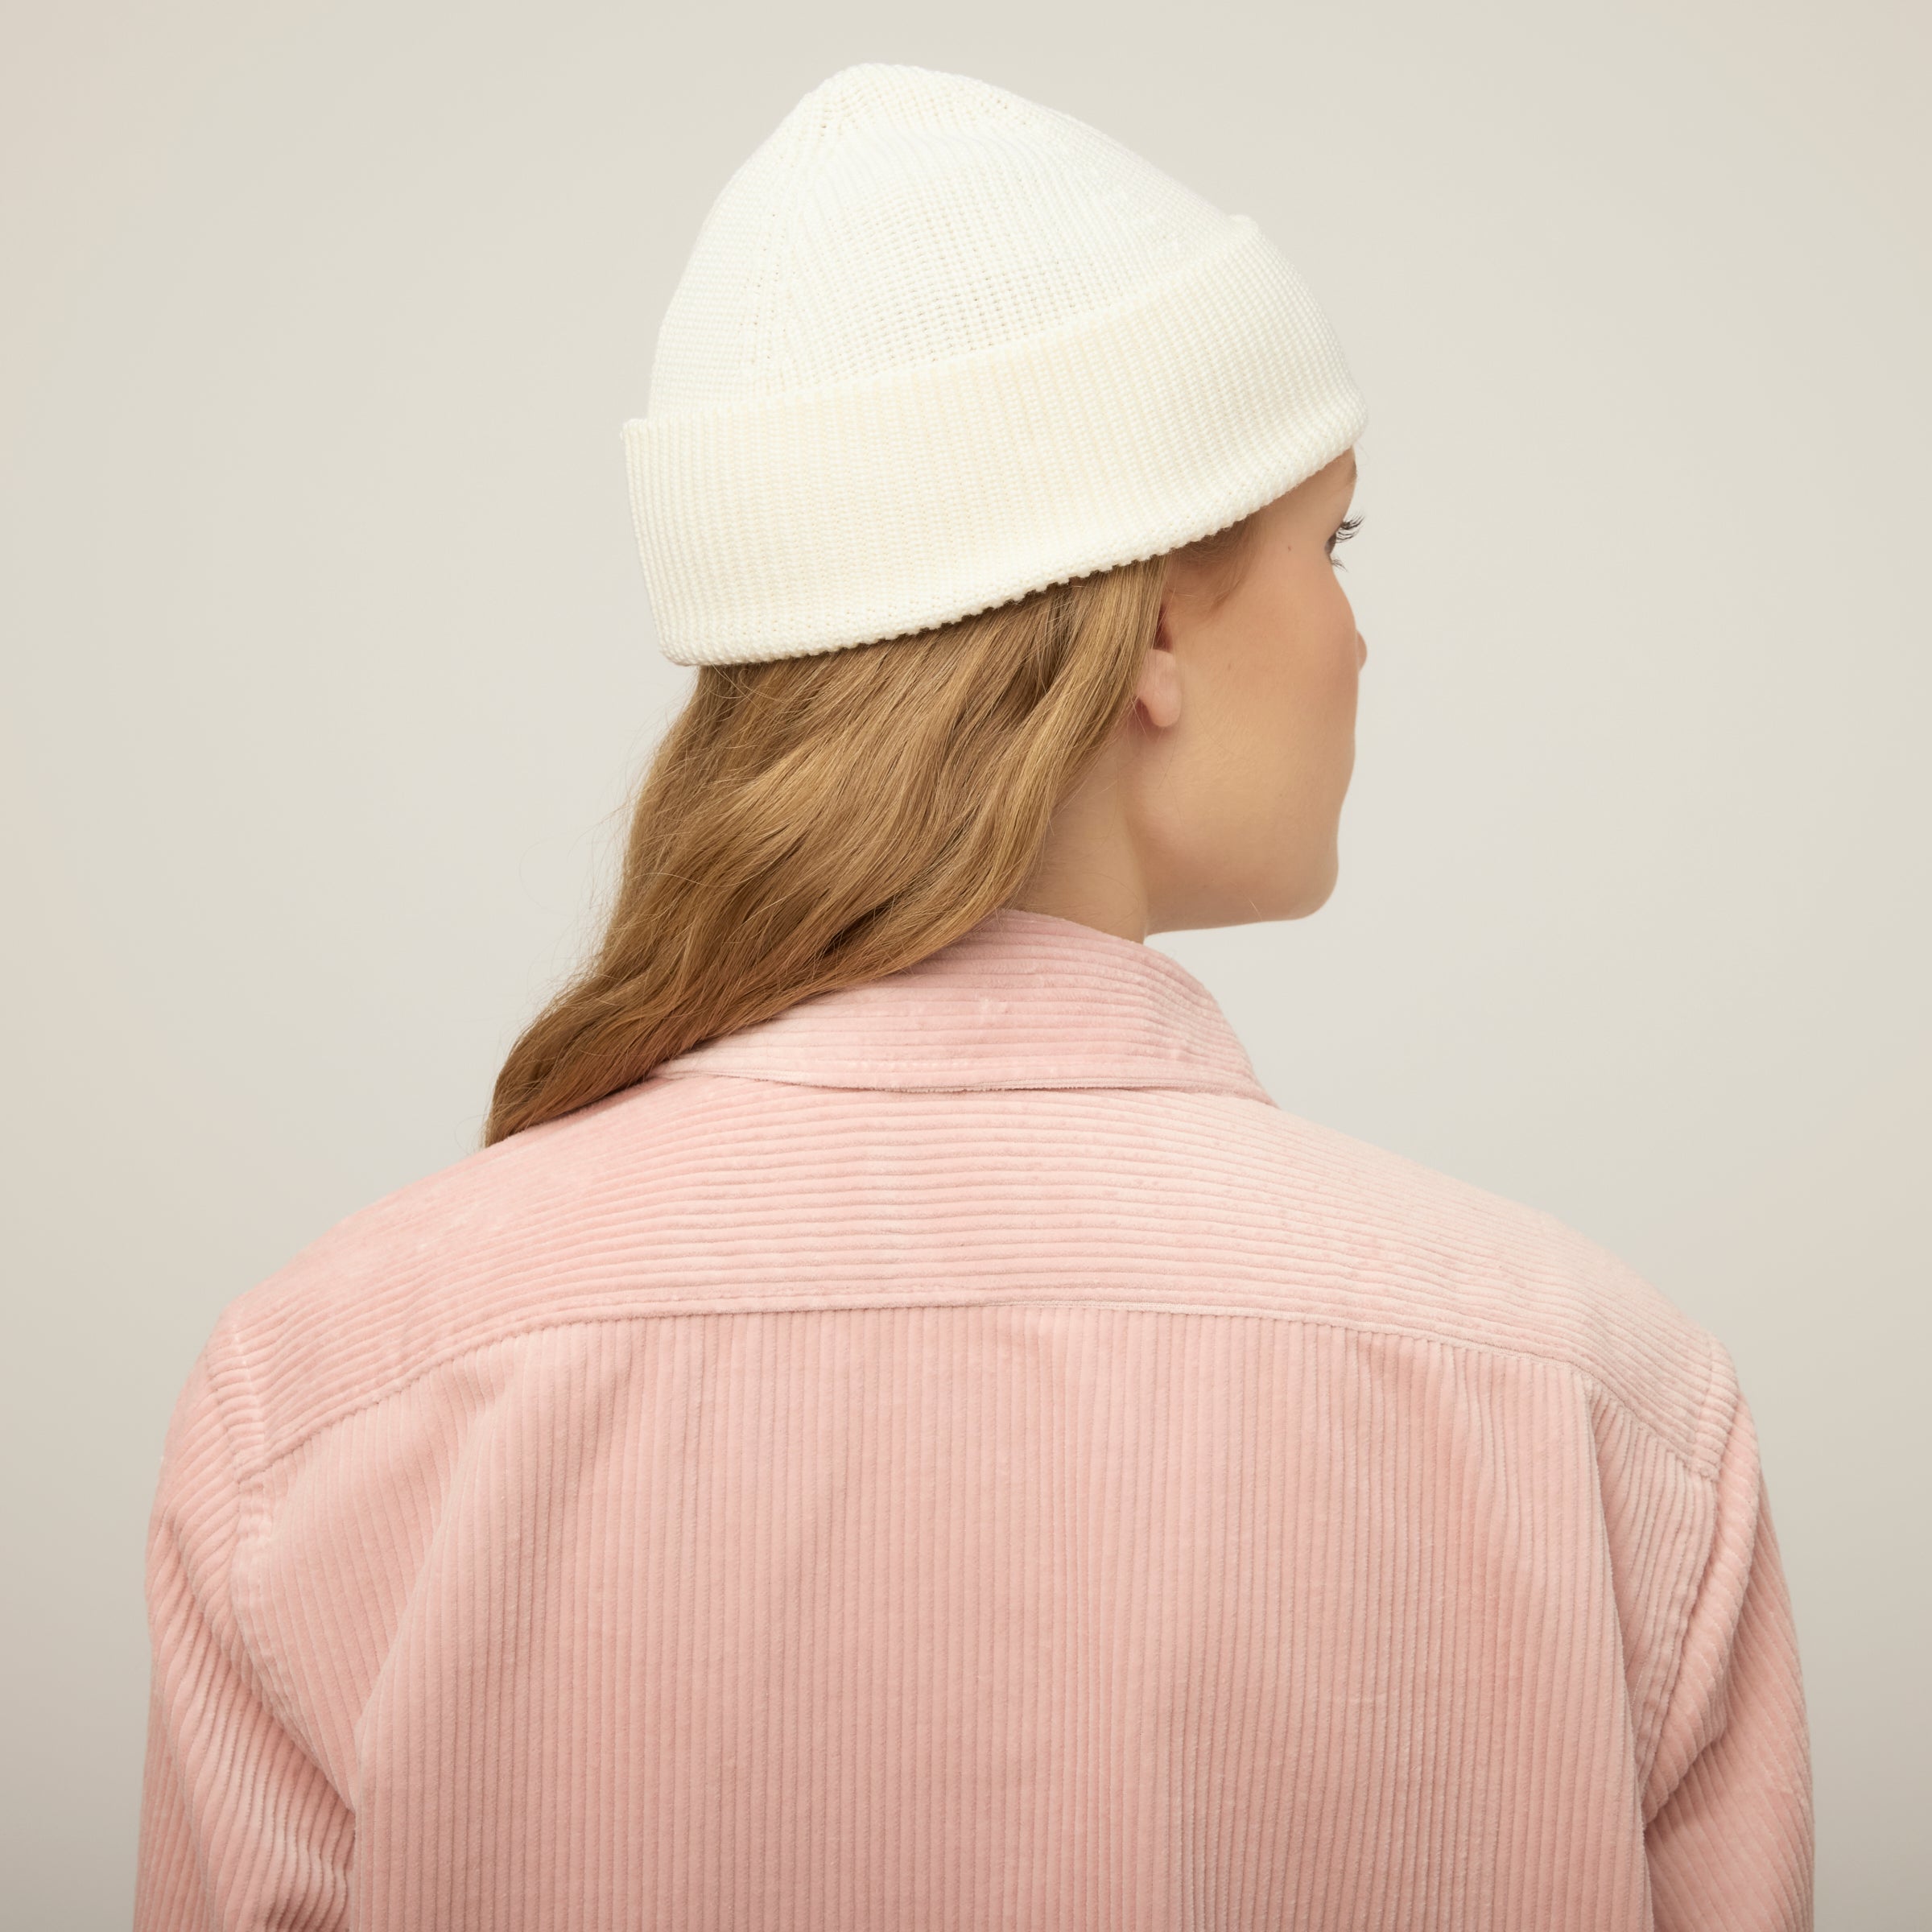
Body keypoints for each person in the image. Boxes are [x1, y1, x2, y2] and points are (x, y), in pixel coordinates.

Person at [134, 64, 1814, 1932]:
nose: (1358, 636)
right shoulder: (1591, 1411)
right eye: (1331, 544)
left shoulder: (329, 1405)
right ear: (1155, 622)